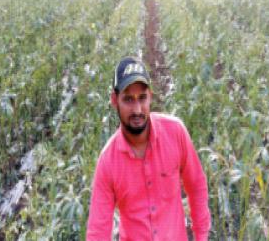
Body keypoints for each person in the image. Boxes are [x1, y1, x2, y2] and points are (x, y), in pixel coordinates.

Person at [87, 56, 211, 241]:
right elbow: (98, 231)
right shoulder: (108, 162)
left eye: (142, 98)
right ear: (115, 100)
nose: (137, 109)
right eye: (128, 99)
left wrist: (201, 236)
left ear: (150, 96)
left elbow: (196, 185)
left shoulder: (175, 133)